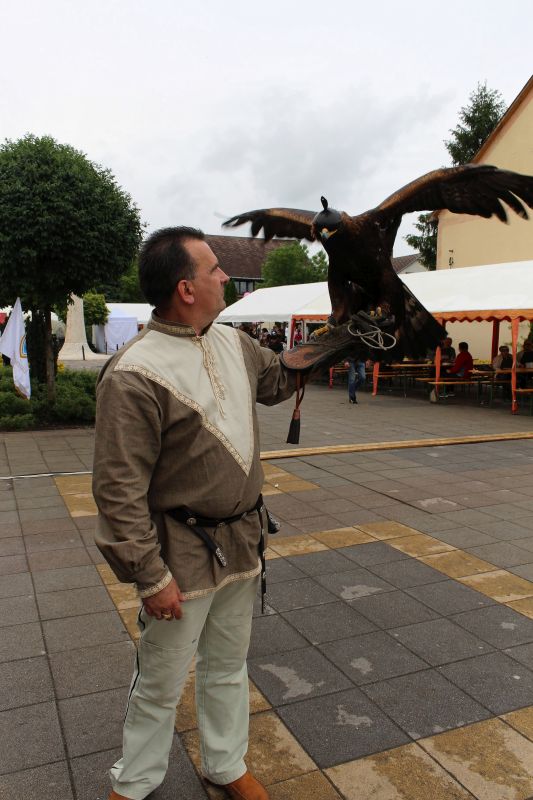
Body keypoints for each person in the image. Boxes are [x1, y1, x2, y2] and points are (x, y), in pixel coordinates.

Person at [92, 227, 298, 800]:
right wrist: (150, 575)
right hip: (178, 553)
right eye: (214, 269)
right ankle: (134, 782)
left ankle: (226, 766)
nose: (225, 276)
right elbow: (117, 489)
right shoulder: (134, 372)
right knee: (160, 679)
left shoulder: (234, 343)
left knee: (228, 665)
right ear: (186, 289)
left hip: (242, 539)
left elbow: (280, 377)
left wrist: (343, 334)